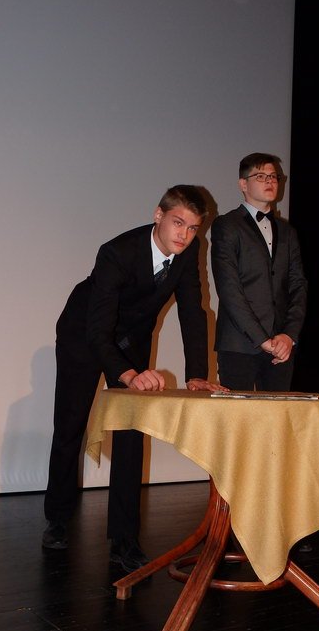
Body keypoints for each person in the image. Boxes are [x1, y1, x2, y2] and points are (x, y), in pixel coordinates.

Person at [42, 185, 226, 572]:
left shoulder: (188, 251)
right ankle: (57, 518)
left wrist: (196, 375)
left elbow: (193, 312)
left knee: (130, 431)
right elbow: (98, 330)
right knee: (71, 424)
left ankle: (124, 539)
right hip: (84, 334)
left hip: (131, 339)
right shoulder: (117, 252)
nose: (185, 235)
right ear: (158, 215)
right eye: (178, 223)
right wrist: (126, 373)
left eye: (193, 227)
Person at [211, 153, 307, 392]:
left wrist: (289, 335)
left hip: (280, 346)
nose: (270, 181)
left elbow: (298, 286)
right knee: (237, 415)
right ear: (243, 184)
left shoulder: (288, 232)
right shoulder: (227, 225)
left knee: (276, 415)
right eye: (261, 176)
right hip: (239, 344)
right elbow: (229, 289)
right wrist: (262, 339)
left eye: (274, 176)